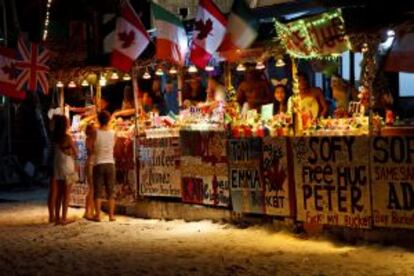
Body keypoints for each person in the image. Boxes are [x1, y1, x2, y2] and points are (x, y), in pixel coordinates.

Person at [53, 115, 78, 225]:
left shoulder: (54, 137)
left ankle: (57, 217)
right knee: (67, 194)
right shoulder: (67, 137)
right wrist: (71, 152)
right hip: (67, 166)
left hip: (57, 166)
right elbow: (75, 152)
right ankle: (64, 218)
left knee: (58, 193)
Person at [92, 111, 116, 222]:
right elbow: (113, 145)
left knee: (98, 190)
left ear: (98, 120)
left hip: (98, 163)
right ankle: (111, 215)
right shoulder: (113, 133)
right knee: (110, 190)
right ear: (109, 120)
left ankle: (97, 216)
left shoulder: (95, 132)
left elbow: (92, 146)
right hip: (110, 163)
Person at [83, 123, 96, 220]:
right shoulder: (92, 139)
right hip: (91, 164)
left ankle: (89, 210)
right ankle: (89, 211)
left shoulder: (88, 139)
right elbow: (93, 151)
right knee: (92, 189)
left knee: (91, 188)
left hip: (89, 163)